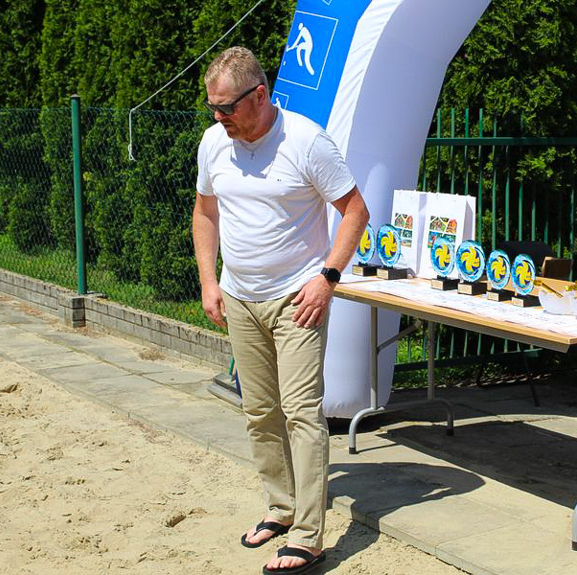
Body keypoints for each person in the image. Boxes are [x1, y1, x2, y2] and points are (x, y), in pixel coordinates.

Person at [193, 46, 369, 574]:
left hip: (298, 300)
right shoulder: (213, 143)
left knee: (302, 414)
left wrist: (328, 278)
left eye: (226, 108)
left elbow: (355, 211)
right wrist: (209, 281)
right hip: (240, 298)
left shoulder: (307, 141)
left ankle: (310, 536)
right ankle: (281, 509)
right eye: (213, 109)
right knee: (259, 413)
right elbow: (205, 214)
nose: (219, 118)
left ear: (260, 96)